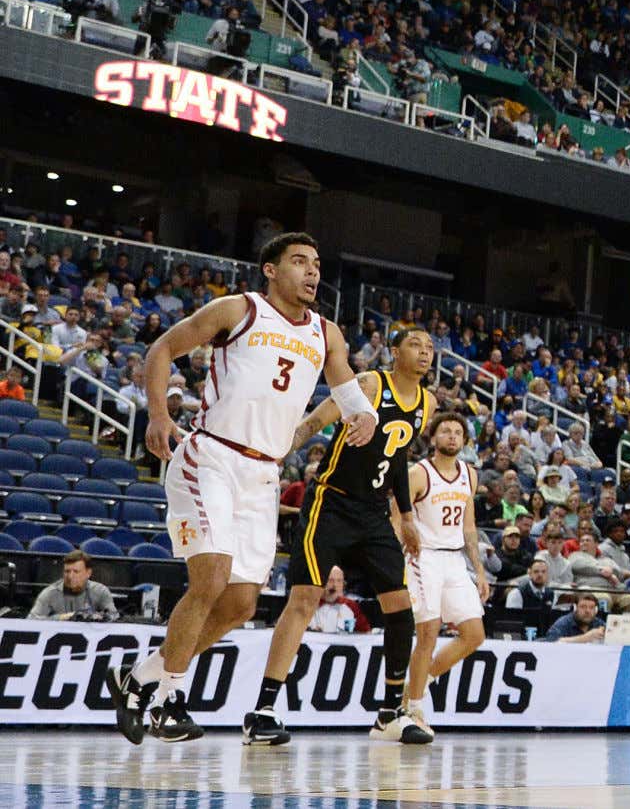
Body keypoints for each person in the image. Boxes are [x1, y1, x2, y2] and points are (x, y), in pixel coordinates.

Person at [114, 233, 378, 744]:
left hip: (264, 474)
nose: (312, 272)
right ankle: (168, 699)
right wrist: (159, 414)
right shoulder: (238, 309)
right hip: (212, 455)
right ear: (271, 270)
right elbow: (162, 348)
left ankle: (141, 678)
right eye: (299, 261)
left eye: (316, 263)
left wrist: (362, 414)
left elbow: (346, 386)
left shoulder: (325, 332)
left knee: (239, 605)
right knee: (210, 577)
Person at [244, 327, 436, 746]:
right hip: (331, 502)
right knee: (304, 598)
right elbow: (315, 421)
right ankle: (262, 711)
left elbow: (398, 459)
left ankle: (389, 714)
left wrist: (406, 516)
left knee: (401, 609)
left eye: (430, 347)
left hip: (373, 513)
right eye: (415, 345)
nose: (425, 352)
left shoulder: (428, 402)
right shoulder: (369, 384)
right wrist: (277, 454)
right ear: (394, 351)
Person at [401, 410, 491, 741]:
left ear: (464, 440)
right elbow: (398, 516)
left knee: (474, 634)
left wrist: (479, 569)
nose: (452, 436)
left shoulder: (470, 474)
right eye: (446, 431)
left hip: (455, 560)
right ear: (433, 437)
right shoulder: (418, 473)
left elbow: (469, 526)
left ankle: (416, 685)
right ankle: (414, 709)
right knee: (428, 633)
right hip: (423, 558)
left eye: (457, 432)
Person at [31, 550, 119, 621]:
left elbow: (114, 617)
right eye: (67, 571)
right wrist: (62, 617)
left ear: (88, 573)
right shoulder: (49, 593)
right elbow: (31, 620)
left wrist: (98, 617)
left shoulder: (101, 591)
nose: (70, 576)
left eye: (76, 572)